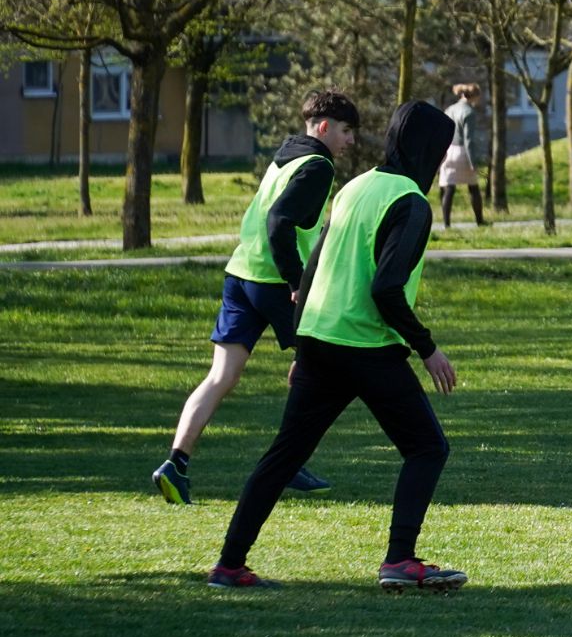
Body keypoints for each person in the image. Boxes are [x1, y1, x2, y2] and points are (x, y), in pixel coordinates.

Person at [206, 101, 465, 590]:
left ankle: (228, 564)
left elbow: (311, 270)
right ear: (430, 149)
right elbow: (386, 289)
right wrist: (428, 348)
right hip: (367, 346)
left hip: (320, 342)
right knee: (427, 447)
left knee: (283, 455)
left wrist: (302, 344)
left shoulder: (354, 186)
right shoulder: (410, 201)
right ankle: (400, 560)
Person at [151, 90, 359, 506]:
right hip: (273, 281)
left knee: (220, 377)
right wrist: (296, 280)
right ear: (323, 127)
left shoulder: (286, 154)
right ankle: (288, 463)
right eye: (345, 130)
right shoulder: (318, 165)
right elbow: (279, 221)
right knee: (317, 367)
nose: (349, 141)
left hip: (240, 274)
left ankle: (176, 462)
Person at [439, 82, 487, 228]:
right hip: (462, 152)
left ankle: (446, 224)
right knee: (473, 188)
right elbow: (469, 140)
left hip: (448, 151)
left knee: (449, 188)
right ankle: (480, 222)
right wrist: (473, 163)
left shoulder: (450, 109)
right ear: (475, 96)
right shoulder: (469, 112)